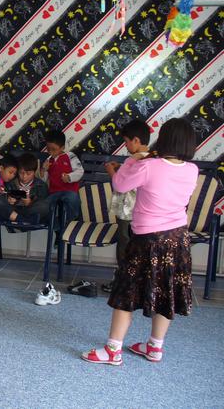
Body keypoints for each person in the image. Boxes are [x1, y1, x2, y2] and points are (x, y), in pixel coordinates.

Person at [82, 118, 199, 365]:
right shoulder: (192, 169)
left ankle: (113, 350)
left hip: (148, 238)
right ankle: (155, 348)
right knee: (165, 293)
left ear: (164, 139)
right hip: (178, 239)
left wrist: (131, 161)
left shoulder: (149, 166)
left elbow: (120, 184)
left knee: (126, 292)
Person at [102, 120, 150, 293]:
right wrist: (121, 166)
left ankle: (124, 282)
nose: (126, 145)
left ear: (136, 140)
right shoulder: (151, 159)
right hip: (141, 213)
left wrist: (112, 172)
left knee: (124, 245)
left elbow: (121, 185)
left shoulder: (135, 159)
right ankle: (136, 282)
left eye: (126, 141)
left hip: (128, 211)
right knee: (137, 246)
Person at [0, 153, 50, 223]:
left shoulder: (41, 185)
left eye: (28, 174)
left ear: (34, 172)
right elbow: (1, 196)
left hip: (29, 212)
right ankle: (22, 220)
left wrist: (29, 203)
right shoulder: (10, 182)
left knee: (44, 206)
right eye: (21, 173)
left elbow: (42, 203)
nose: (24, 176)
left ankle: (21, 219)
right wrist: (8, 199)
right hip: (12, 211)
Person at [39, 130, 83, 228]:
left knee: (73, 199)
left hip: (69, 191)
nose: (50, 152)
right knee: (42, 207)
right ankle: (58, 227)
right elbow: (44, 180)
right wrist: (43, 170)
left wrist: (69, 177)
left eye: (54, 149)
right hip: (53, 193)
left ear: (62, 147)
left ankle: (68, 222)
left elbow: (80, 171)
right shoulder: (48, 160)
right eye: (48, 149)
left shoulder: (70, 156)